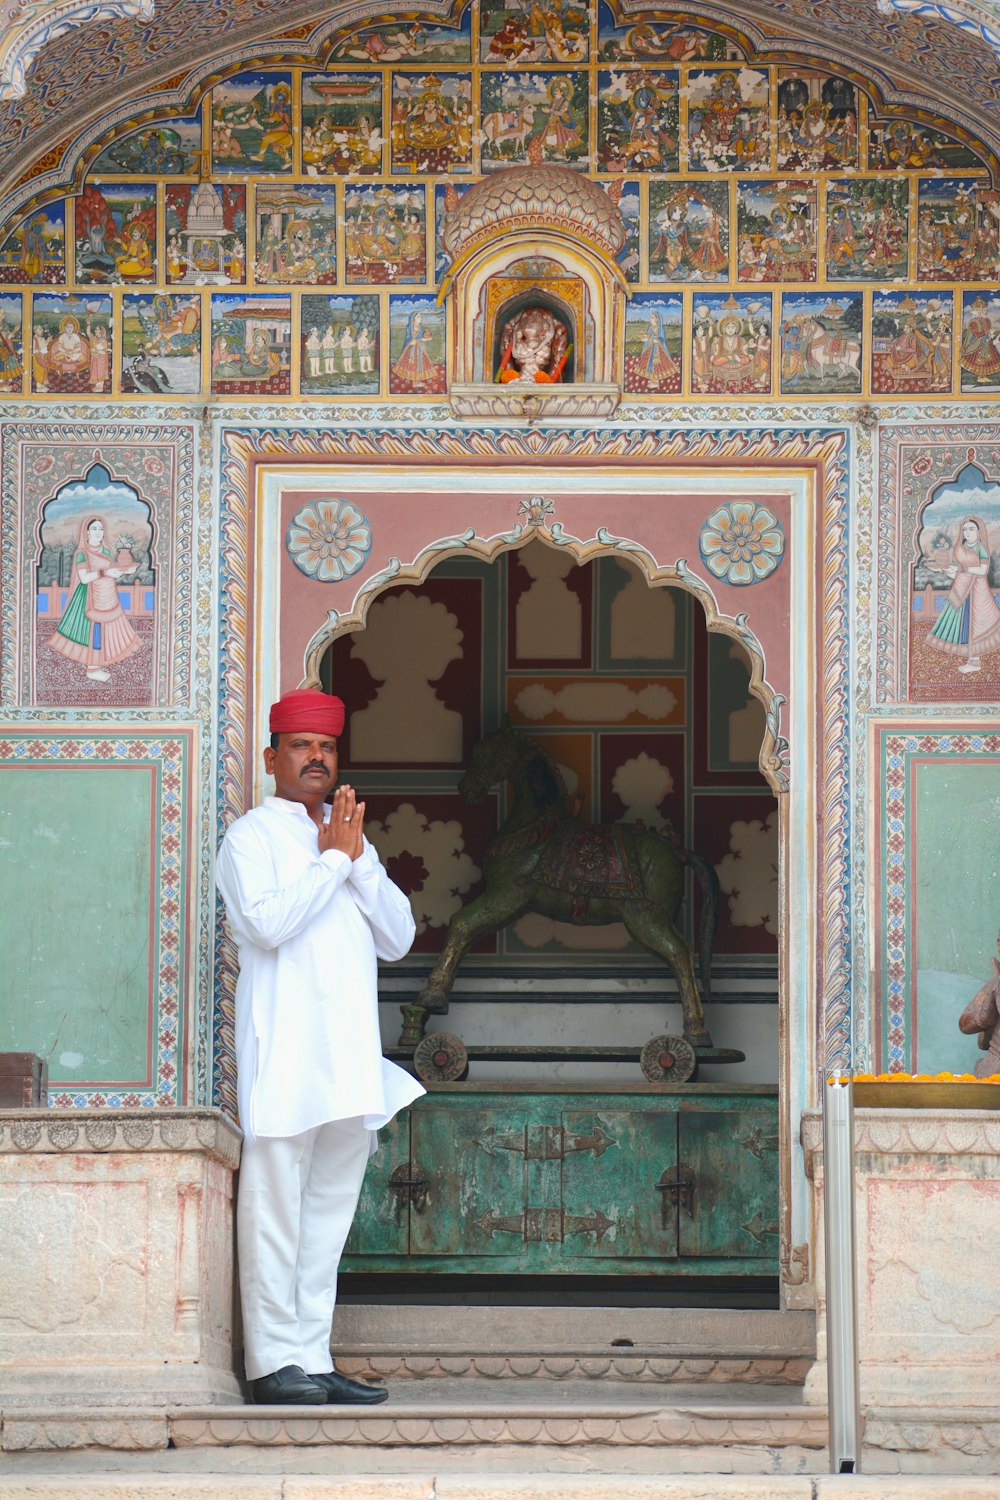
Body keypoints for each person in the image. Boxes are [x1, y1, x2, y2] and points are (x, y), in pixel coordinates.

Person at [215, 687, 424, 1405]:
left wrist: (358, 860)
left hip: (348, 1063)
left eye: (327, 748)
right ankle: (273, 1363)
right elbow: (268, 926)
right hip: (286, 1056)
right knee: (275, 1213)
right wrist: (332, 863)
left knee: (326, 1219)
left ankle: (311, 1354)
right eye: (301, 747)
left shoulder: (348, 842)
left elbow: (399, 937)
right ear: (273, 757)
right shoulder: (251, 839)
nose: (316, 759)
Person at [50, 516, 142, 681]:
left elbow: (109, 570)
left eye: (100, 529)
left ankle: (98, 666)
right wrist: (106, 573)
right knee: (92, 632)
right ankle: (92, 670)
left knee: (104, 630)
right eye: (94, 529)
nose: (98, 533)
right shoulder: (82, 553)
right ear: (86, 532)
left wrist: (123, 571)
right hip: (88, 598)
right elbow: (84, 578)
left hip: (106, 595)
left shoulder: (105, 551)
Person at [927, 515, 1000, 674]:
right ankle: (971, 660)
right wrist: (943, 570)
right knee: (966, 624)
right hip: (962, 590)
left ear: (979, 531)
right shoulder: (961, 548)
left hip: (977, 591)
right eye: (965, 529)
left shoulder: (980, 547)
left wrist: (961, 570)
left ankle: (975, 661)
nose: (967, 532)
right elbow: (958, 573)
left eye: (971, 529)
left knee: (977, 624)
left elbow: (982, 570)